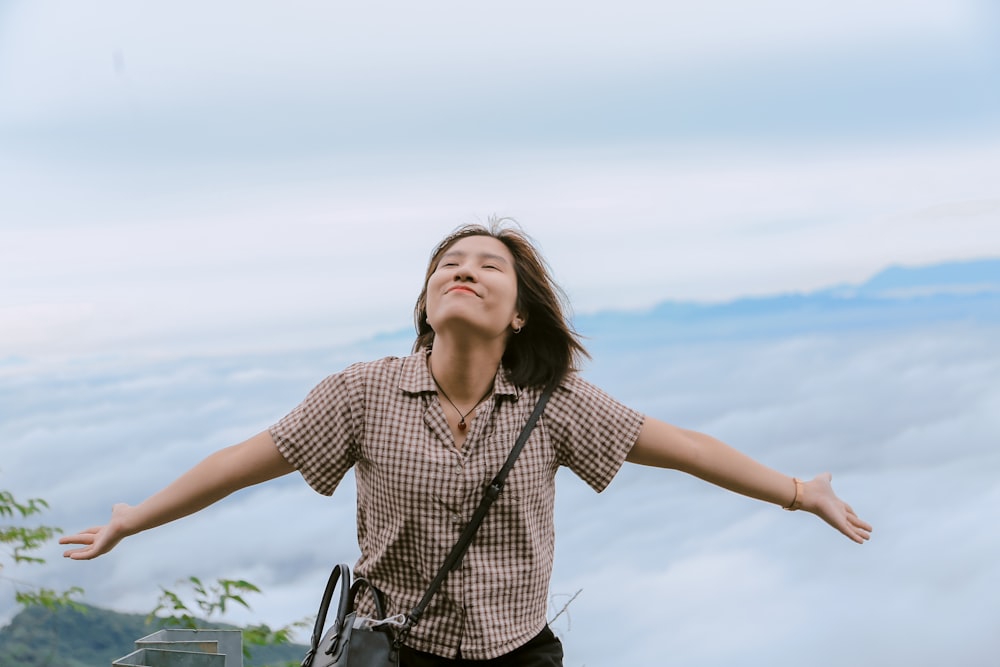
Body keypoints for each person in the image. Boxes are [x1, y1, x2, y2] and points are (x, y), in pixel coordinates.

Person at [61, 221, 872, 666]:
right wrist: (135, 519)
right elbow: (240, 463)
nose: (466, 269)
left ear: (518, 312)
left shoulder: (553, 405)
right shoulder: (362, 392)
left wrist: (802, 491)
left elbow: (687, 448)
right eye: (449, 262)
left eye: (489, 265)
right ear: (425, 299)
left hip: (519, 659)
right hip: (392, 655)